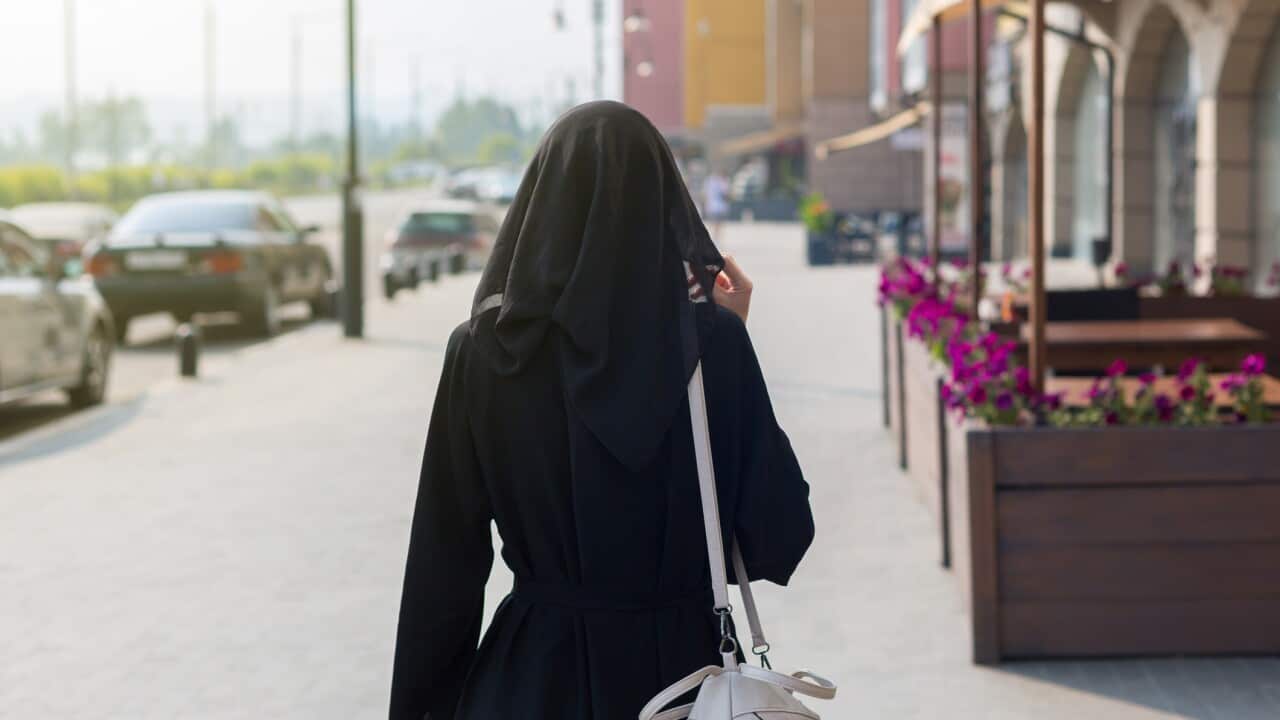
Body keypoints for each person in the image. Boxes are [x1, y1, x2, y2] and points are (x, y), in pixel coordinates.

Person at [389, 101, 815, 720]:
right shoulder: (711, 349)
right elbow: (779, 540)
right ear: (664, 206)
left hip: (529, 682)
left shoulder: (483, 355)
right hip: (681, 685)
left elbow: (442, 568)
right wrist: (729, 350)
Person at [702, 167, 731, 242]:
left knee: (715, 224)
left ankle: (715, 238)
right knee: (717, 224)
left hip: (714, 206)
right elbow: (726, 194)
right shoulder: (722, 181)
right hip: (718, 206)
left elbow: (705, 194)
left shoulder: (710, 181)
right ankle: (715, 238)